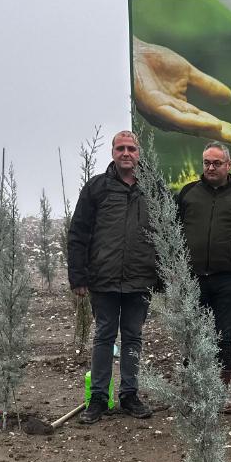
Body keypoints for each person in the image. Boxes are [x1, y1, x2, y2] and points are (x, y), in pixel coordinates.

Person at [67, 130, 159, 423]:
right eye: (120, 148)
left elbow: (166, 234)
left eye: (131, 148)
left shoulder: (153, 189)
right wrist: (78, 277)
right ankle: (97, 399)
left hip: (140, 279)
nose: (126, 153)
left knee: (133, 337)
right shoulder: (96, 188)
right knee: (104, 336)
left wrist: (164, 277)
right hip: (103, 279)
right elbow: (78, 233)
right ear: (112, 153)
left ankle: (130, 395)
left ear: (139, 153)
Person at [176, 141, 231, 409]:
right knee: (193, 334)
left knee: (224, 335)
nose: (211, 168)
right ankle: (195, 390)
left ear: (228, 165)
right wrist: (175, 270)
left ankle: (220, 393)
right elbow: (173, 235)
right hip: (192, 277)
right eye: (207, 163)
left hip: (227, 279)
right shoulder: (187, 193)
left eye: (217, 163)